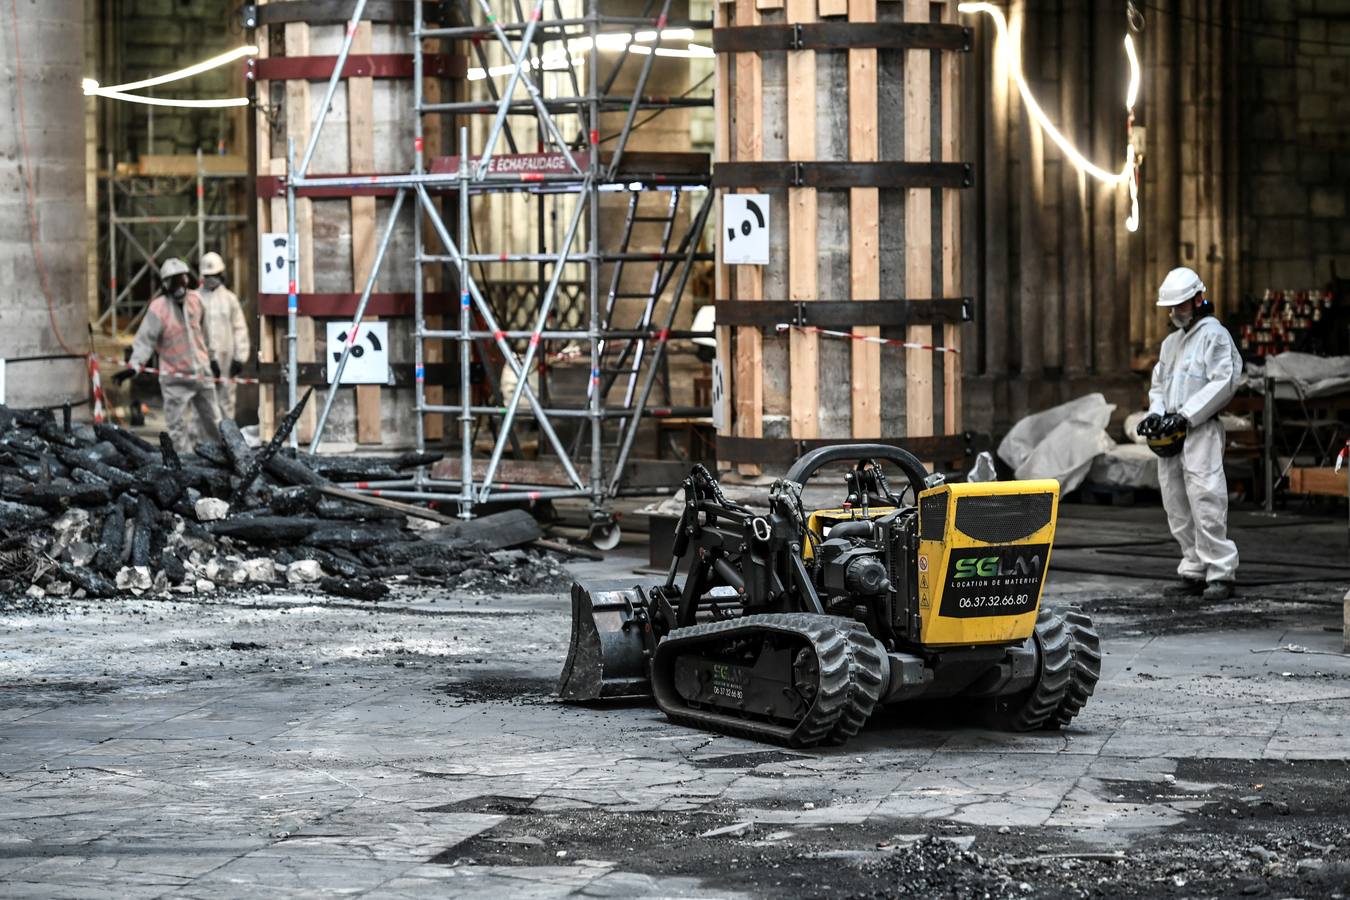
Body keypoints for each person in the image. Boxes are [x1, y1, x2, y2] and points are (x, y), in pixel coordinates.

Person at [1137, 266, 1241, 601]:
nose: (1175, 312)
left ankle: (1220, 572)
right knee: (1176, 503)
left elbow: (1224, 382)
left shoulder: (1215, 336)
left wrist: (1186, 416)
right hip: (1172, 434)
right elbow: (1158, 386)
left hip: (1200, 431)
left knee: (1206, 499)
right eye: (1171, 307)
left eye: (1180, 305)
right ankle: (1194, 568)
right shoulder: (1171, 344)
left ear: (1198, 299)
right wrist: (1155, 416)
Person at [113, 257, 221, 452]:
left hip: (201, 373)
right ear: (166, 284)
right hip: (175, 378)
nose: (180, 284)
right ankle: (184, 463)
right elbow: (145, 341)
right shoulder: (158, 309)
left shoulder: (196, 301)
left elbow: (206, 334)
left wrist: (212, 359)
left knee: (213, 421)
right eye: (175, 281)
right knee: (177, 429)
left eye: (183, 279)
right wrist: (134, 367)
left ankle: (219, 457)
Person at [198, 251, 250, 420]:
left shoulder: (230, 299)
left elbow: (239, 329)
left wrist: (240, 358)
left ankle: (226, 435)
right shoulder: (195, 299)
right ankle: (201, 437)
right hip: (202, 361)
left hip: (226, 361)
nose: (211, 279)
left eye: (214, 275)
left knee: (226, 402)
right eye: (208, 276)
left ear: (221, 274)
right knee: (202, 404)